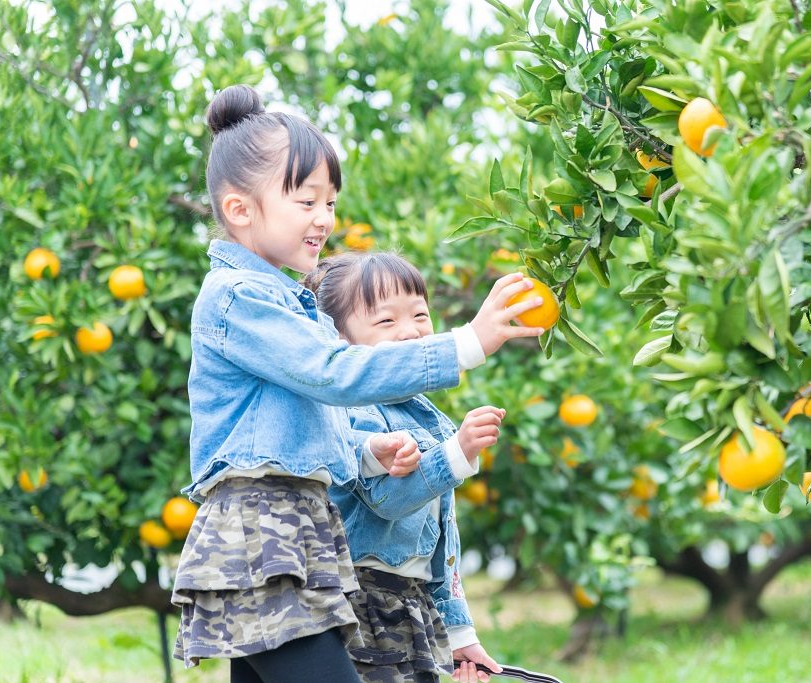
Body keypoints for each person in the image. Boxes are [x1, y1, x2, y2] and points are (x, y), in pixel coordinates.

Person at [171, 84, 544, 683]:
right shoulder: (240, 298)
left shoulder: (291, 305)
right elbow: (334, 374)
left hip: (298, 528)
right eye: (305, 200)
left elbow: (306, 421)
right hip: (260, 534)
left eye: (330, 202)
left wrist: (368, 453)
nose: (324, 218)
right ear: (240, 210)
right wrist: (467, 342)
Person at [307, 252, 505, 683]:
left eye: (419, 314)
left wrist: (460, 632)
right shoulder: (351, 411)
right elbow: (387, 500)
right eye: (386, 321)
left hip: (412, 605)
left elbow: (443, 546)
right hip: (362, 603)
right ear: (340, 342)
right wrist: (457, 452)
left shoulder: (429, 417)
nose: (410, 331)